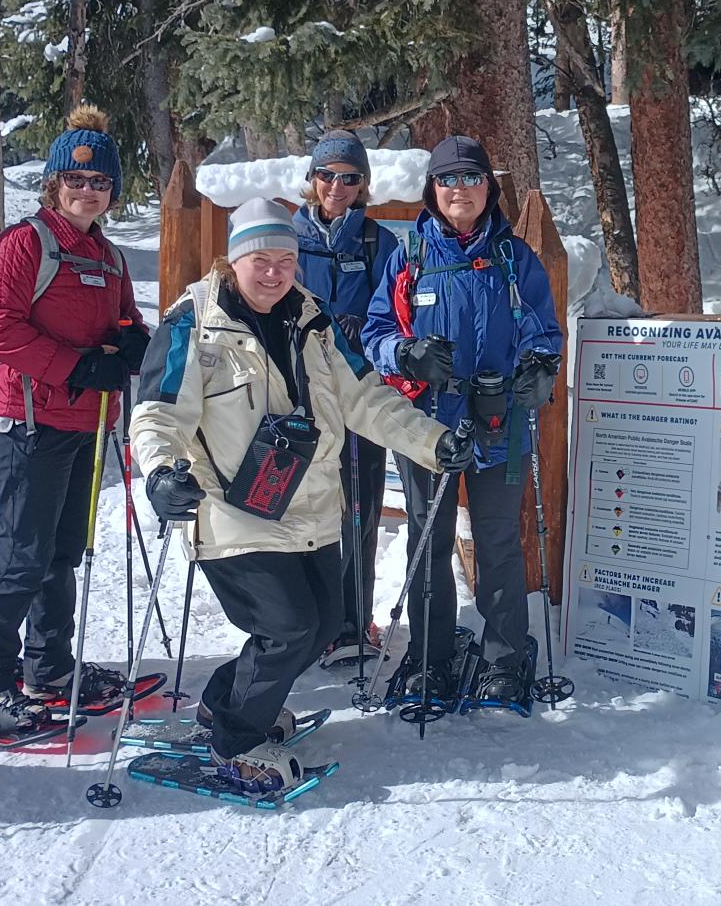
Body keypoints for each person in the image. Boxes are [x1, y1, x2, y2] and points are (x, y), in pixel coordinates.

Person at [131, 199, 467, 791]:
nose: (273, 272)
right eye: (260, 259)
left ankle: (225, 703)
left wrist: (433, 443)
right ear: (233, 260)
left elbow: (367, 398)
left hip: (309, 507)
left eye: (285, 260)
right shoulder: (195, 322)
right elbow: (158, 413)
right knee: (286, 628)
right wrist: (161, 472)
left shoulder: (314, 320)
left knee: (323, 625)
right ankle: (237, 742)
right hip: (232, 511)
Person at [0, 106, 148, 734]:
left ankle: (50, 668)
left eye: (100, 182)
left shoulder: (108, 255)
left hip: (86, 423)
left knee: (62, 553)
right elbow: (0, 331)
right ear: (54, 184)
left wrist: (133, 341)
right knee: (23, 556)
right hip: (30, 421)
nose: (87, 190)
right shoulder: (24, 244)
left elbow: (125, 319)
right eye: (76, 179)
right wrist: (79, 366)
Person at [362, 135, 564, 709]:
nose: (459, 189)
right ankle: (430, 655)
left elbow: (544, 332)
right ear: (432, 189)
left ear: (488, 187)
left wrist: (539, 372)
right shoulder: (410, 256)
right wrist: (406, 355)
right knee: (428, 541)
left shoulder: (514, 258)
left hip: (499, 423)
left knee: (499, 542)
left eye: (471, 177)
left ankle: (504, 657)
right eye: (447, 179)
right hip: (428, 425)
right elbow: (377, 331)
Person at [292, 129, 400, 666]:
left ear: (363, 184)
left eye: (350, 177)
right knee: (300, 510)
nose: (337, 186)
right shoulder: (287, 237)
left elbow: (397, 310)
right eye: (327, 174)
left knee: (359, 510)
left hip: (358, 394)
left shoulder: (379, 243)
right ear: (312, 178)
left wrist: (367, 332)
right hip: (299, 396)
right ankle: (306, 624)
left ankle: (353, 622)